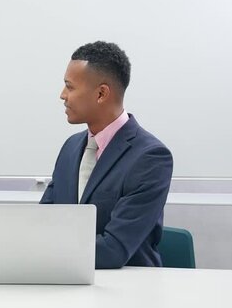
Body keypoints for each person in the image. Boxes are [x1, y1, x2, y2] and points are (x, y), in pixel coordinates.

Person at [40, 41, 173, 269]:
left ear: (101, 94)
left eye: (70, 87)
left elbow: (114, 250)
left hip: (126, 293)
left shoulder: (150, 158)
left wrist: (41, 252)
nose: (62, 95)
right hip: (67, 283)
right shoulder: (71, 148)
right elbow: (42, 222)